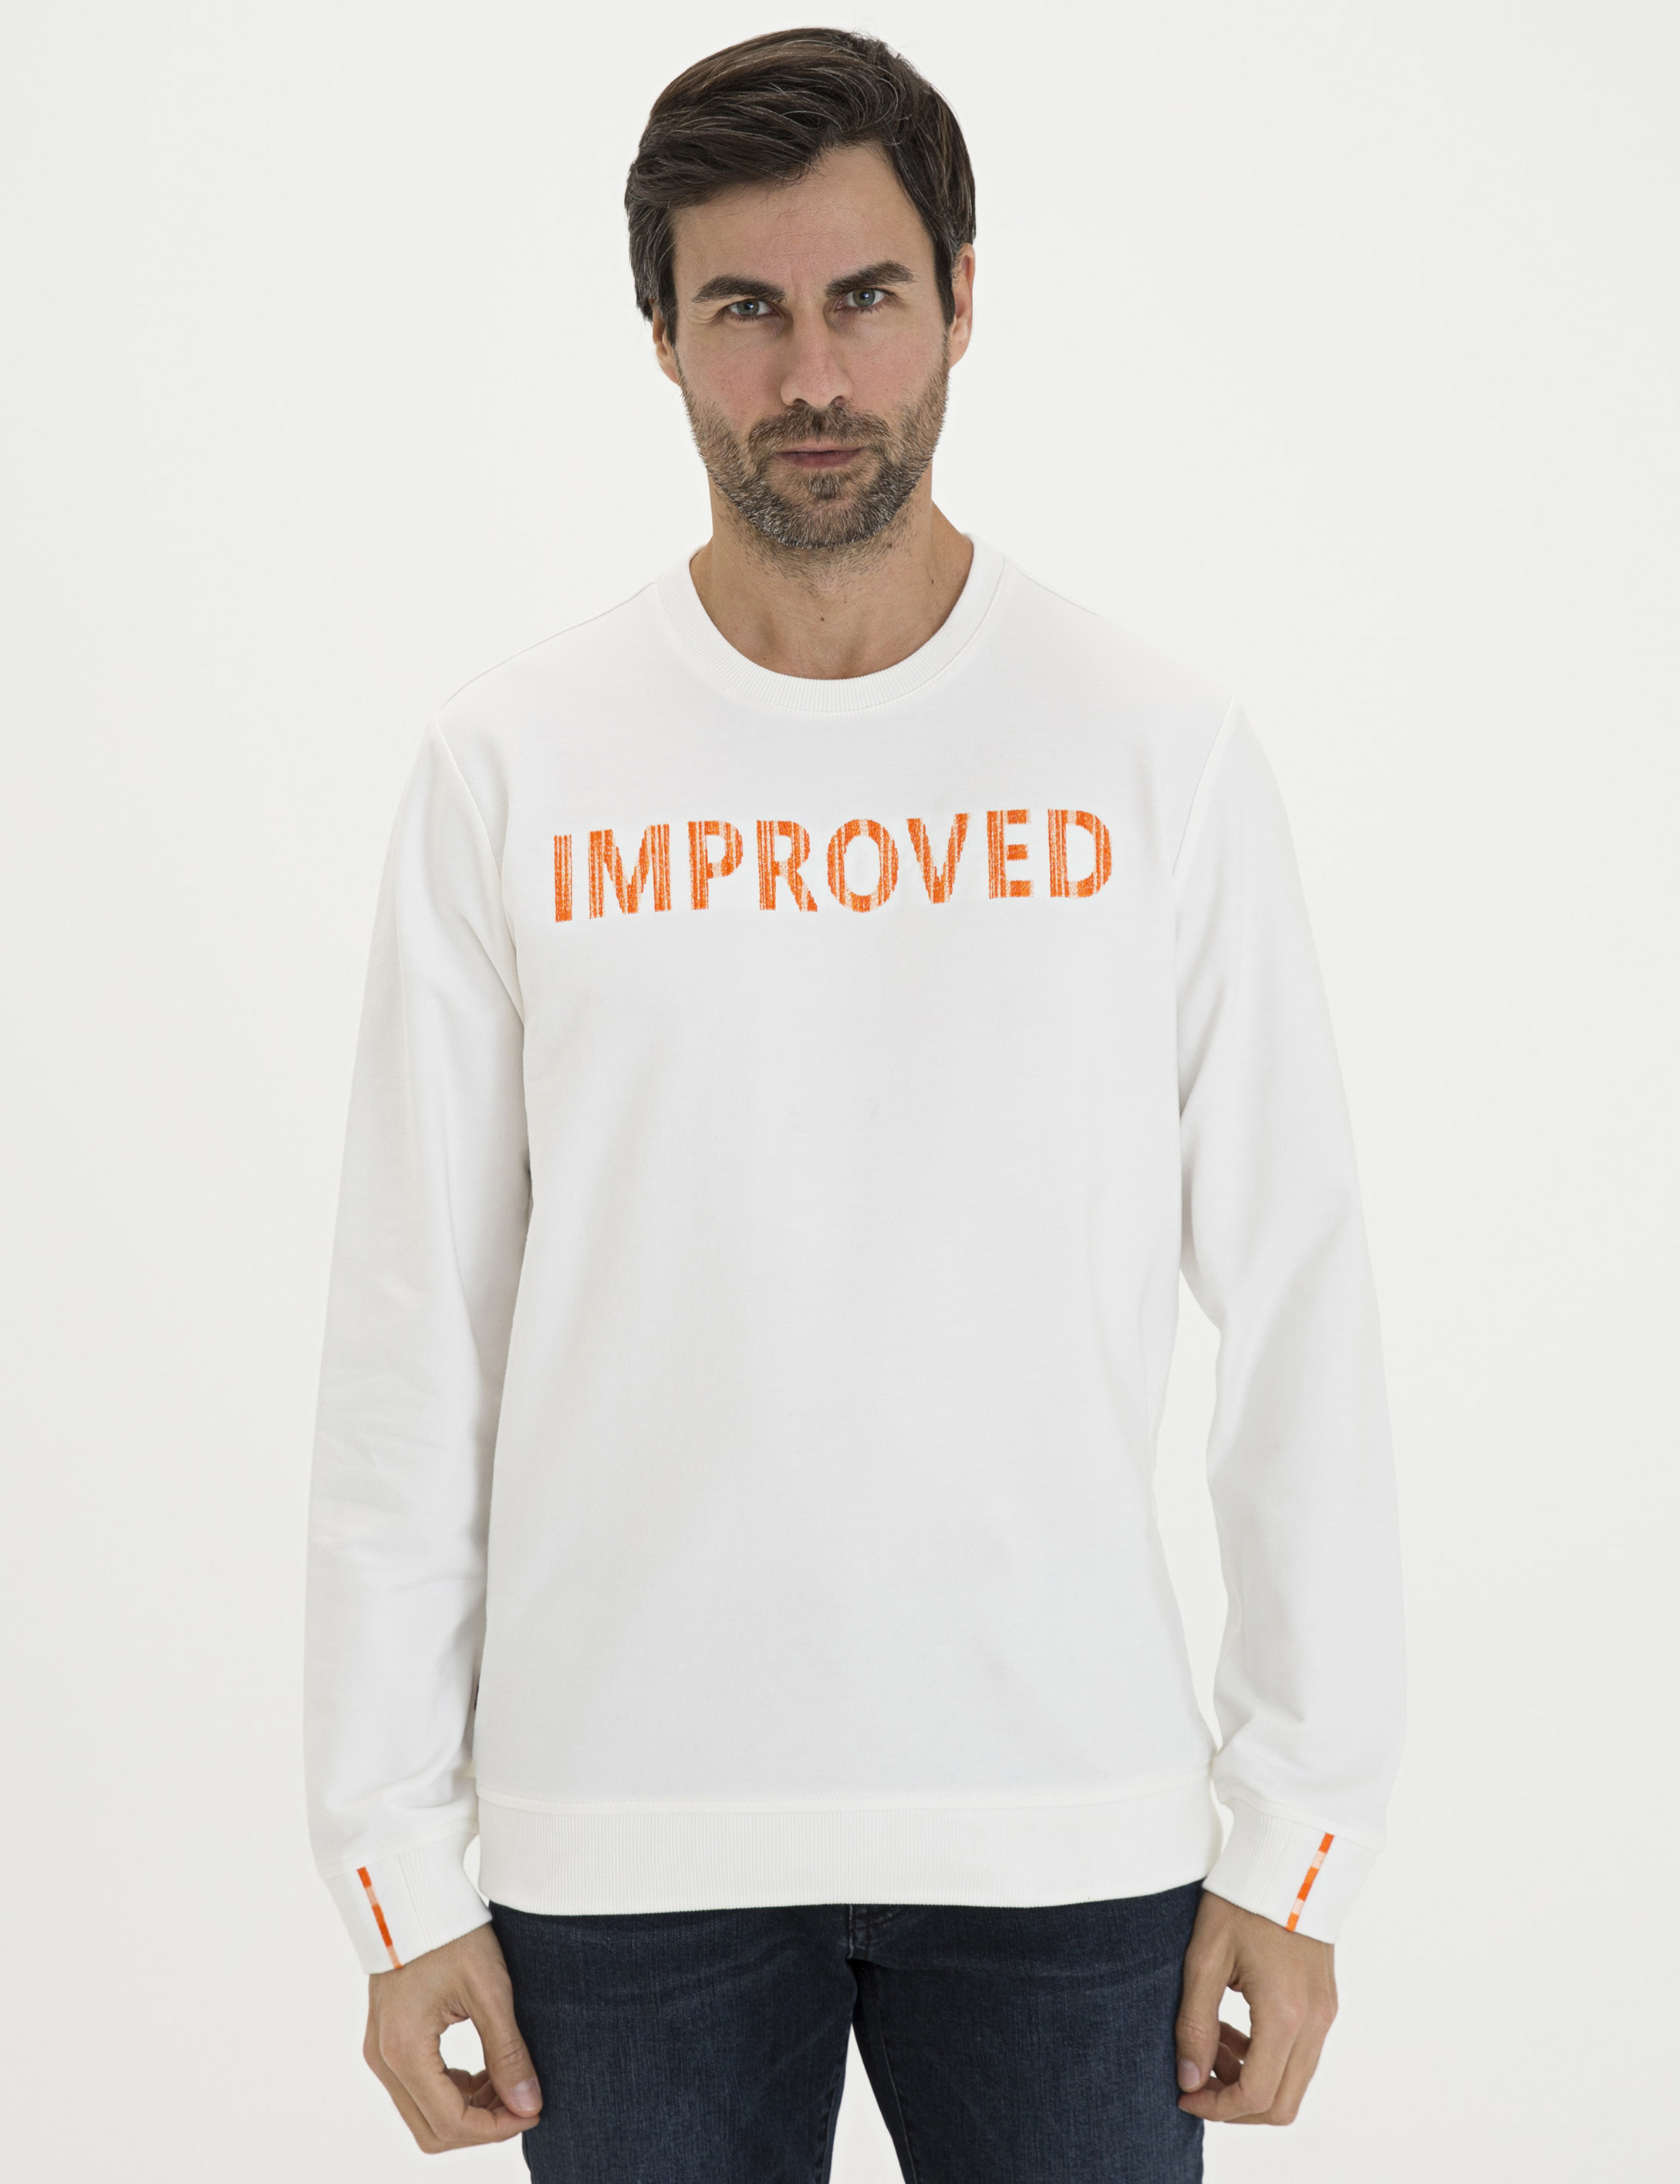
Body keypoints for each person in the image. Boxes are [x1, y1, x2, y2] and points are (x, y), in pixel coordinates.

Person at [304, 27, 1406, 2181]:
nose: (812, 376)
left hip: (1068, 1832)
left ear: (962, 299)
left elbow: (1299, 1302)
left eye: (865, 298)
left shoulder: (1151, 751)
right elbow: (409, 1340)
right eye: (746, 309)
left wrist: (1301, 1837)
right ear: (659, 335)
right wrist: (389, 1863)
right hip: (619, 1848)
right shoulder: (515, 765)